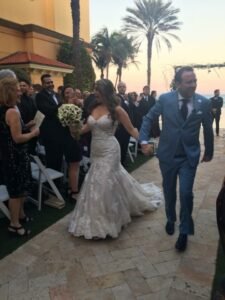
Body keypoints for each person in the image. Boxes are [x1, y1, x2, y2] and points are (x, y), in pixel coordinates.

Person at [68, 79, 163, 239]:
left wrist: (145, 143)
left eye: (98, 89)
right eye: (94, 89)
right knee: (96, 181)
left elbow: (132, 129)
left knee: (104, 182)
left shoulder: (117, 110)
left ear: (106, 91)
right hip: (96, 150)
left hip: (110, 150)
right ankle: (95, 218)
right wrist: (74, 129)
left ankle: (108, 221)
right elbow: (86, 129)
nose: (95, 92)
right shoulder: (93, 108)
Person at [139, 66, 214, 251]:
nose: (193, 85)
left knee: (186, 193)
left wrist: (209, 151)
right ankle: (170, 218)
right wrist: (143, 140)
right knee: (169, 190)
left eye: (195, 81)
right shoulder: (165, 99)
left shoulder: (203, 103)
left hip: (189, 157)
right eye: (189, 82)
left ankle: (184, 231)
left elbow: (207, 128)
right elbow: (148, 118)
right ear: (178, 84)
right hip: (167, 156)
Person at [0, 76, 39, 236]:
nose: (20, 93)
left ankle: (21, 215)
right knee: (16, 192)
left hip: (7, 155)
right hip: (15, 156)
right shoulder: (12, 112)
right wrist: (33, 133)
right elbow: (17, 138)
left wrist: (26, 125)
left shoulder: (4, 109)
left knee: (19, 187)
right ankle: (14, 224)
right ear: (9, 92)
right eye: (16, 90)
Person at [36, 74, 82, 199]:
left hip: (62, 135)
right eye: (47, 82)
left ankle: (61, 184)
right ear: (43, 84)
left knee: (62, 161)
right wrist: (64, 105)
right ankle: (52, 189)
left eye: (51, 82)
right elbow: (48, 111)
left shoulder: (56, 95)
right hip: (51, 136)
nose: (50, 84)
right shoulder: (40, 96)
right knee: (53, 162)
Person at [115, 81, 132, 166]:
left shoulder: (128, 98)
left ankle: (123, 161)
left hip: (127, 127)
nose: (122, 88)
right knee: (120, 146)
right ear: (118, 88)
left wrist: (127, 101)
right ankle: (119, 163)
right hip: (120, 127)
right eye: (120, 87)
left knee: (125, 145)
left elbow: (131, 110)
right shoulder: (116, 98)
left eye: (124, 87)